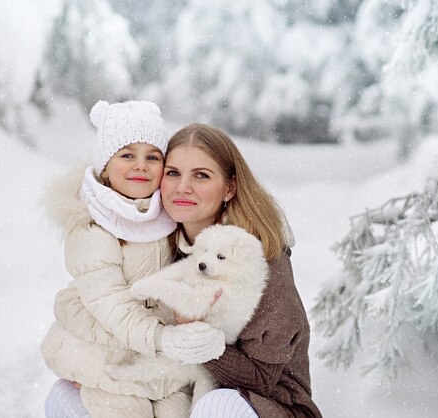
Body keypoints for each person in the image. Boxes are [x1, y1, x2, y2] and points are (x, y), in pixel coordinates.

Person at [40, 102, 226, 418]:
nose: (140, 165)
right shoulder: (92, 227)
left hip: (159, 364)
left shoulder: (169, 216)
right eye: (127, 155)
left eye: (152, 157)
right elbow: (110, 303)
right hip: (107, 359)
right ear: (104, 168)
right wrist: (162, 337)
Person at [159, 123, 323, 418]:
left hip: (266, 405)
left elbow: (262, 380)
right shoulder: (160, 245)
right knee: (72, 396)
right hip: (181, 395)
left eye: (201, 175)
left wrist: (198, 335)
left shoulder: (257, 259)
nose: (183, 187)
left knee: (216, 408)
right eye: (173, 173)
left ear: (230, 188)